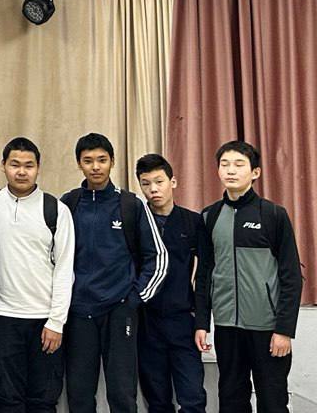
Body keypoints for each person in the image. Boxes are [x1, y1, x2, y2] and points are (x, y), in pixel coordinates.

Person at [61, 133, 167, 413]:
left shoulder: (131, 204)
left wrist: (133, 299)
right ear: (79, 164)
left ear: (112, 162)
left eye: (102, 160)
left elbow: (157, 257)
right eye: (88, 161)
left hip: (119, 311)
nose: (95, 167)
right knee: (79, 394)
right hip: (78, 313)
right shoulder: (68, 204)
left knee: (122, 394)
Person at [194, 140, 301, 413]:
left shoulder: (273, 214)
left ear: (255, 172)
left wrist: (284, 330)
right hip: (227, 326)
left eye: (239, 164)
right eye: (225, 164)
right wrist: (202, 322)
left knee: (272, 401)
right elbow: (204, 274)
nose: (230, 170)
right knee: (231, 399)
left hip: (267, 328)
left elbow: (291, 276)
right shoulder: (209, 216)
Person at [0, 137, 75, 413]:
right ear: (3, 165)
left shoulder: (56, 210)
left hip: (44, 321)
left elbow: (65, 269)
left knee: (43, 401)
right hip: (2, 318)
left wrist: (56, 322)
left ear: (38, 168)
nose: (22, 172)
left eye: (29, 165)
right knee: (6, 399)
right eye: (15, 164)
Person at [133, 153, 208, 413]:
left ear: (172, 182)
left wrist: (202, 322)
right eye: (146, 184)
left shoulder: (193, 222)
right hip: (146, 322)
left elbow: (204, 275)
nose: (153, 189)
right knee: (157, 400)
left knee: (193, 398)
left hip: (182, 320)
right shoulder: (137, 222)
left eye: (159, 181)